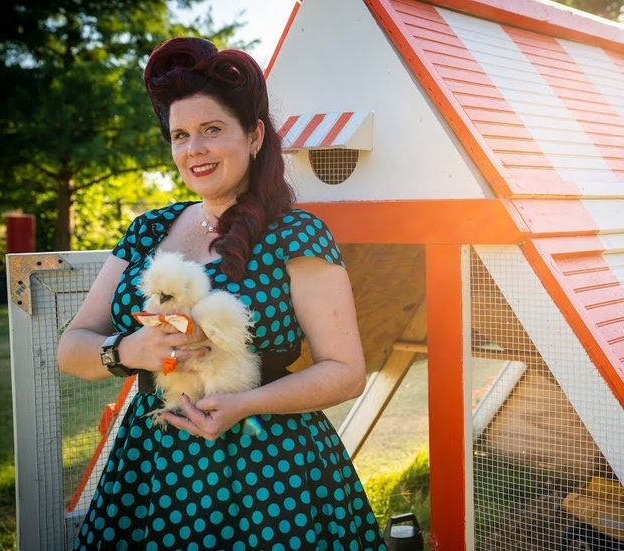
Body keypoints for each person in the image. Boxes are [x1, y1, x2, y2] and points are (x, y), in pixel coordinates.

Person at [58, 36, 388, 551]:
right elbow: (72, 347)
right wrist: (128, 351)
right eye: (180, 135)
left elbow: (345, 372)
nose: (194, 150)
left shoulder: (296, 234)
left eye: (212, 130)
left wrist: (243, 404)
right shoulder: (147, 230)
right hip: (151, 465)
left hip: (270, 470)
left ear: (254, 136)